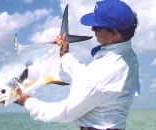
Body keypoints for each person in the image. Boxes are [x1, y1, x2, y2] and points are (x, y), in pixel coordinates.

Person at [15, 0, 140, 130]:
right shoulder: (128, 54)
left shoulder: (102, 72)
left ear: (114, 33)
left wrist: (27, 102)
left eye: (97, 26)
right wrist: (64, 55)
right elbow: (89, 79)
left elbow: (66, 112)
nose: (92, 29)